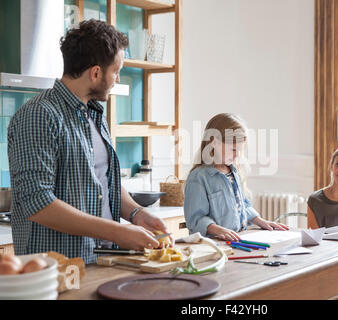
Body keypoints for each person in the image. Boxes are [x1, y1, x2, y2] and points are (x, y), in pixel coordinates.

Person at [7, 19, 172, 264]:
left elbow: (104, 181)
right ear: (95, 73)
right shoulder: (39, 115)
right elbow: (37, 203)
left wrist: (136, 213)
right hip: (59, 268)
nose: (117, 79)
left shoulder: (93, 114)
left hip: (103, 261)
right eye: (116, 71)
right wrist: (117, 230)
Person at [184, 113, 289, 241]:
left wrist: (260, 221)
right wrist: (219, 230)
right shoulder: (199, 177)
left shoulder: (234, 172)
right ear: (214, 142)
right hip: (213, 246)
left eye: (240, 150)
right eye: (233, 149)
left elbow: (242, 204)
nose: (237, 155)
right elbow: (195, 219)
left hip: (237, 241)